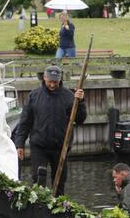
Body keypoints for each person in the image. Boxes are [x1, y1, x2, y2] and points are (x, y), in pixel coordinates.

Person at [13, 65, 86, 196]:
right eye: (50, 82)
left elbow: (80, 119)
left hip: (61, 146)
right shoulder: (34, 96)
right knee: (38, 177)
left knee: (59, 182)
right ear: (44, 78)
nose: (52, 85)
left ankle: (58, 207)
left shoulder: (69, 97)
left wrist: (80, 102)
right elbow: (25, 122)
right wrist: (20, 144)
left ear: (60, 80)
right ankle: (39, 204)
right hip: (39, 146)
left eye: (55, 82)